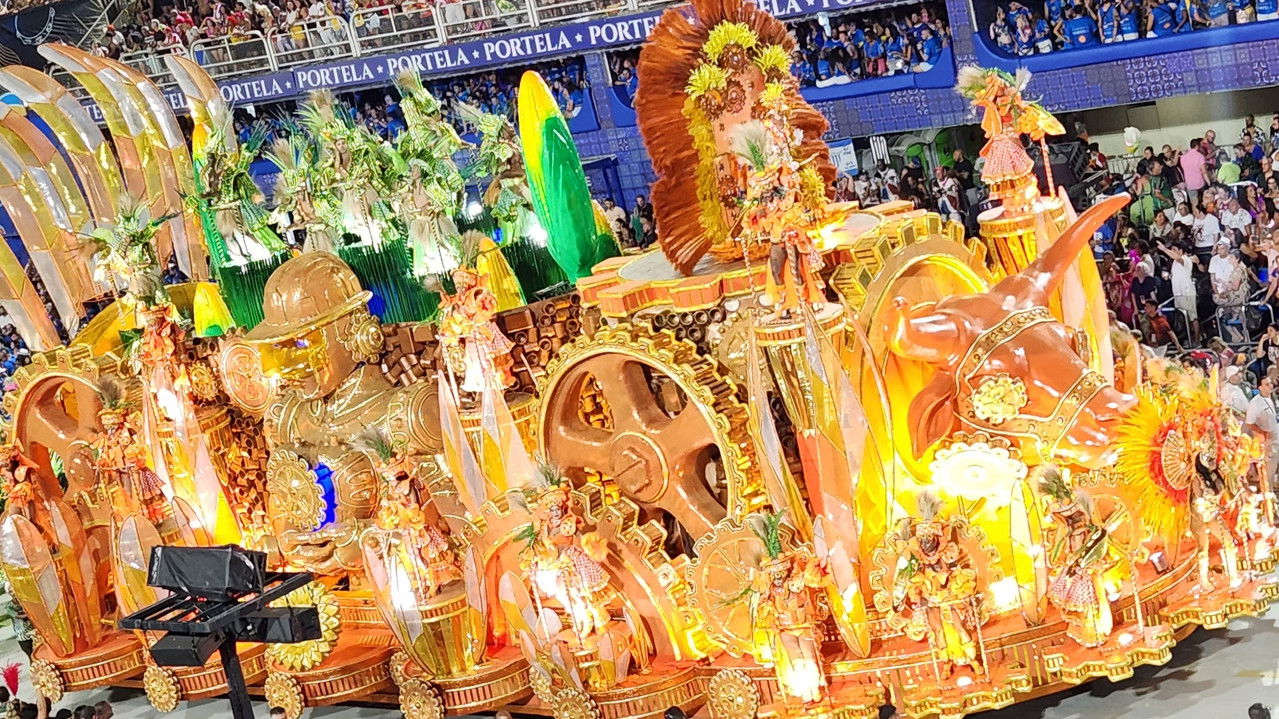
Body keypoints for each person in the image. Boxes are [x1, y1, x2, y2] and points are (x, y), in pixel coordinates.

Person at [1159, 240, 1201, 344]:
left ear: (1181, 251)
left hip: (1186, 293)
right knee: (1184, 317)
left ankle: (1197, 340)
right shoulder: (1174, 263)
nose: (1172, 251)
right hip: (1178, 293)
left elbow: (1178, 258)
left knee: (1192, 317)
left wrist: (1164, 249)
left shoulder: (1185, 259)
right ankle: (1190, 338)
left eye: (1174, 249)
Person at [1246, 376, 1279, 486]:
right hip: (1268, 441)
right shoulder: (1255, 403)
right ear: (1260, 387)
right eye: (1267, 384)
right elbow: (1249, 423)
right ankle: (1268, 492)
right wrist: (1263, 433)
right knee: (1269, 470)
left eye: (1271, 383)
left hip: (1277, 435)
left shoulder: (1272, 398)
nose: (1271, 386)